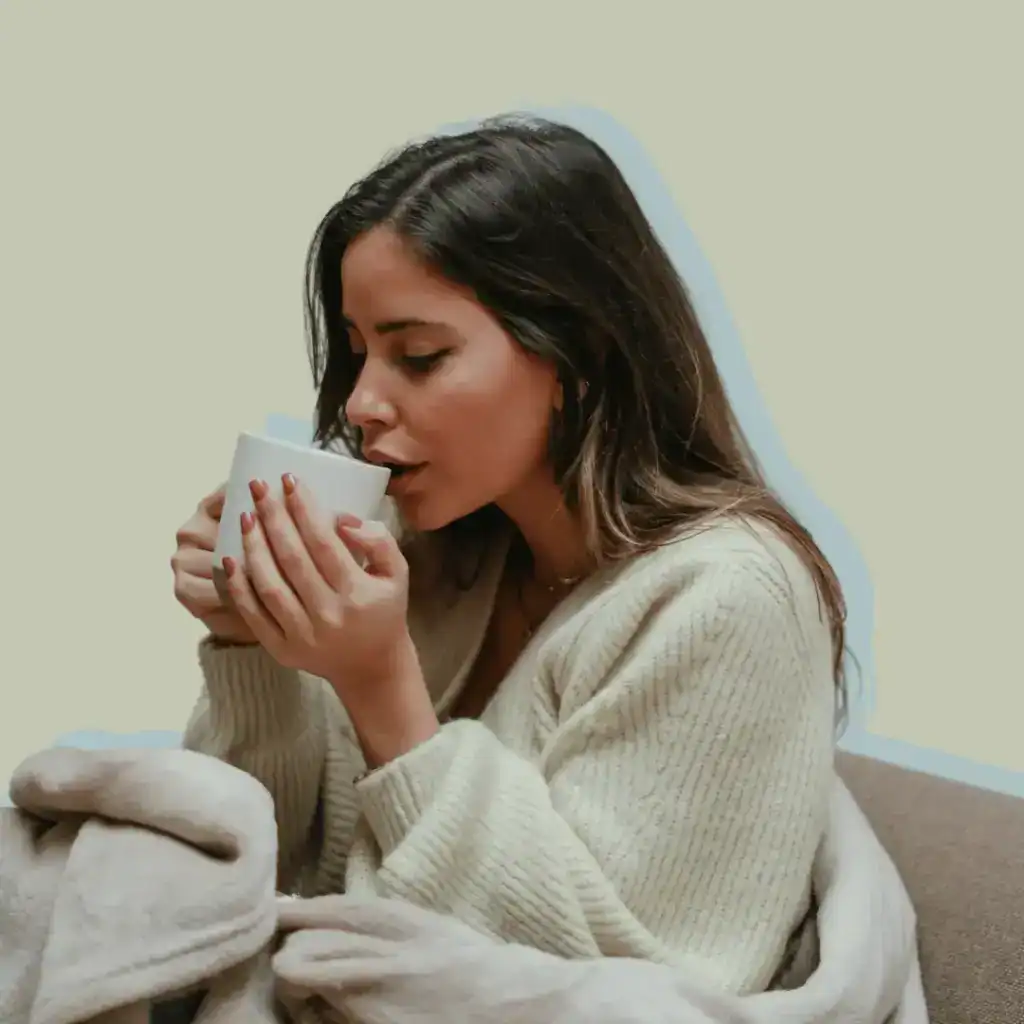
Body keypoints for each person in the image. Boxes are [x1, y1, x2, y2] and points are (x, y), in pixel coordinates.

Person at [170, 114, 847, 998]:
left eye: (419, 355)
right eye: (360, 352)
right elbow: (254, 884)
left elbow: (606, 988)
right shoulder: (438, 558)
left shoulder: (731, 599)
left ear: (577, 353)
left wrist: (386, 694)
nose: (364, 402)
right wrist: (253, 648)